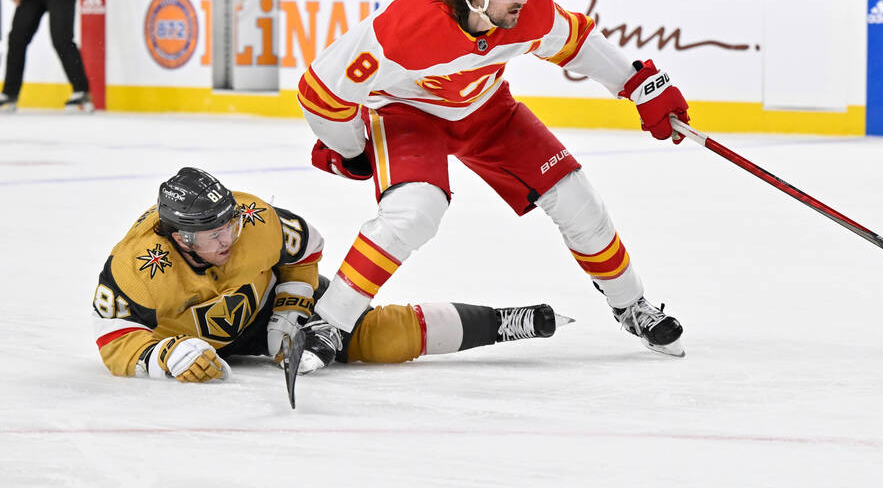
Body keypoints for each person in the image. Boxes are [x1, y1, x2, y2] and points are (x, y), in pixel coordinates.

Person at [297, 0, 690, 356]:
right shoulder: (404, 27)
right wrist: (351, 149)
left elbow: (577, 42)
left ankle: (631, 306)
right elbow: (320, 91)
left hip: (487, 110)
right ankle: (329, 324)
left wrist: (640, 84)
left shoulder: (529, 8)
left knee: (579, 200)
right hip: (409, 115)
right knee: (415, 211)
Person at [91, 168, 567, 383]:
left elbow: (307, 248)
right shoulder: (137, 264)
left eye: (230, 223)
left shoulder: (254, 219)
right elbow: (112, 337)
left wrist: (291, 309)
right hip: (196, 337)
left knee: (372, 337)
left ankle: (504, 322)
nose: (229, 239)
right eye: (214, 234)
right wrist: (166, 357)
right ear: (180, 238)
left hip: (268, 302)